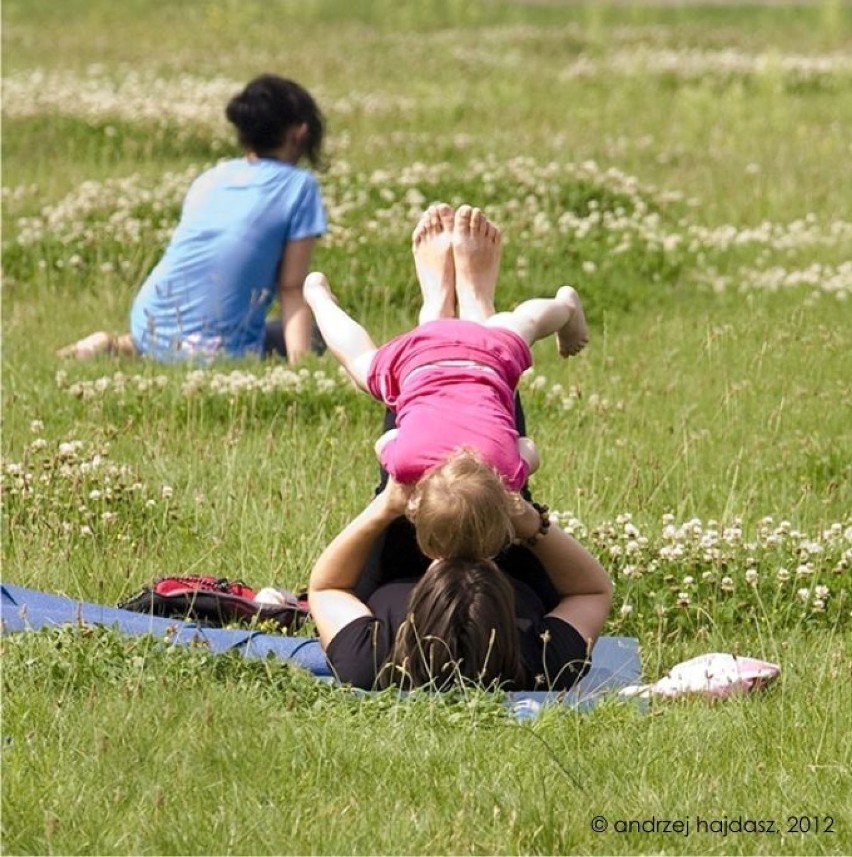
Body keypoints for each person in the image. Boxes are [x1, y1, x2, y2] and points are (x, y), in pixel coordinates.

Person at [308, 205, 612, 692]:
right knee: (446, 413)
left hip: (435, 526)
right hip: (483, 521)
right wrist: (529, 523)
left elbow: (328, 587)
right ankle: (470, 301)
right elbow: (591, 588)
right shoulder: (539, 662)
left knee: (464, 411)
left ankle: (449, 305)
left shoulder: (377, 661)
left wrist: (385, 508)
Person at [303, 203, 589, 561]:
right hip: (418, 362)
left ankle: (561, 306)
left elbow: (529, 448)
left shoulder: (506, 475)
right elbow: (386, 440)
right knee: (362, 364)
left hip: (488, 357)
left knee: (524, 321)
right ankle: (320, 300)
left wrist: (520, 467)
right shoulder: (405, 467)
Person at [58, 73, 327, 364]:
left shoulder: (211, 177)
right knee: (321, 330)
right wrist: (301, 367)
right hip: (217, 348)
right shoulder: (299, 186)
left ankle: (116, 346)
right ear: (300, 132)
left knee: (166, 343)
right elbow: (291, 287)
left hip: (150, 322)